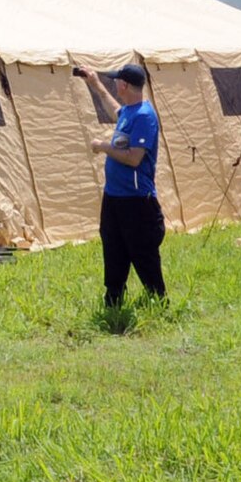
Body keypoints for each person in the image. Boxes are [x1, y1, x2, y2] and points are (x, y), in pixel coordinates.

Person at [82, 63, 166, 305]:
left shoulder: (144, 116)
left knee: (142, 251)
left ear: (124, 85)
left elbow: (134, 157)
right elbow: (115, 110)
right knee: (113, 247)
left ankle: (158, 299)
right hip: (114, 197)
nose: (115, 83)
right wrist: (95, 85)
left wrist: (102, 146)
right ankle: (114, 297)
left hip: (136, 200)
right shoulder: (129, 111)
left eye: (117, 80)